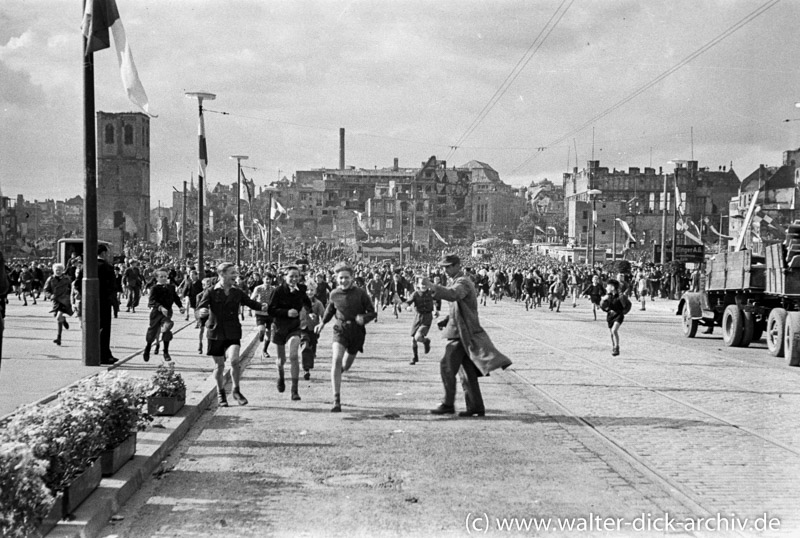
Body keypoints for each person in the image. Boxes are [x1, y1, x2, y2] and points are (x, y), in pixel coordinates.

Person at [423, 254, 512, 417]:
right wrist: (447, 319)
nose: (446, 270)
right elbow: (459, 306)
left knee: (447, 366)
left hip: (462, 333)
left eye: (448, 266)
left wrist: (431, 285)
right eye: (444, 267)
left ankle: (448, 404)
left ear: (457, 266)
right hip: (460, 330)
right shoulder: (458, 281)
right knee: (467, 372)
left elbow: (453, 295)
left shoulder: (462, 282)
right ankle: (475, 406)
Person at [196, 262, 267, 407]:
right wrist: (201, 313)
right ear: (222, 274)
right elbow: (200, 308)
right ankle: (221, 393)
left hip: (232, 331)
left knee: (234, 360)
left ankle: (236, 390)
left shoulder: (237, 292)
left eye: (236, 273)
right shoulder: (210, 291)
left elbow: (251, 303)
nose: (236, 275)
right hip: (215, 332)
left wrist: (264, 306)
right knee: (219, 366)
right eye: (232, 273)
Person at [315, 262, 377, 413]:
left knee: (346, 365)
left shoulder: (361, 293)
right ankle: (336, 400)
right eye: (340, 278)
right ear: (336, 278)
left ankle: (337, 374)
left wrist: (364, 318)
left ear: (352, 278)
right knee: (336, 359)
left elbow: (372, 312)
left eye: (346, 278)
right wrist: (322, 323)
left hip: (356, 332)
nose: (343, 281)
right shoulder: (334, 294)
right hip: (340, 329)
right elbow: (330, 310)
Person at [268, 265, 312, 401]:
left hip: (294, 327)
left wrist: (310, 312)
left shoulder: (301, 290)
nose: (294, 279)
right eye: (291, 276)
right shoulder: (278, 291)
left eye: (296, 276)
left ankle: (294, 390)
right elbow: (270, 310)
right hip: (280, 327)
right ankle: (281, 375)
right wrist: (286, 312)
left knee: (294, 356)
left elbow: (307, 303)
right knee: (281, 361)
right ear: (284, 277)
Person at [143, 267, 185, 362]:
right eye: (161, 276)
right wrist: (160, 307)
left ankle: (165, 351)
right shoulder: (154, 288)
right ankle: (148, 347)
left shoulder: (171, 287)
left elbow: (175, 298)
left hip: (167, 313)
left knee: (167, 329)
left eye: (165, 276)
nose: (164, 278)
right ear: (157, 278)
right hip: (156, 313)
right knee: (152, 332)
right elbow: (151, 301)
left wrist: (180, 306)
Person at [404, 276, 434, 365]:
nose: (423, 286)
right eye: (422, 284)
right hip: (417, 317)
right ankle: (415, 357)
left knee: (418, 337)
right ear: (418, 285)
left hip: (427, 317)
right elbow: (406, 303)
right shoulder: (415, 294)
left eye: (425, 284)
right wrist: (407, 307)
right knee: (413, 339)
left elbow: (437, 301)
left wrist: (437, 310)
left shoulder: (431, 293)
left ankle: (426, 341)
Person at [43, 263, 74, 346]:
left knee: (58, 317)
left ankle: (58, 338)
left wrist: (71, 298)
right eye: (56, 270)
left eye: (60, 270)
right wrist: (50, 295)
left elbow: (72, 289)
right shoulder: (50, 279)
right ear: (54, 271)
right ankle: (63, 320)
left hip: (64, 300)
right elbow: (46, 290)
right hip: (55, 300)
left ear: (62, 270)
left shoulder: (67, 279)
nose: (58, 271)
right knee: (58, 318)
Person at [600, 278, 631, 357]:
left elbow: (628, 305)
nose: (606, 288)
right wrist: (603, 301)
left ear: (613, 287)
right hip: (610, 316)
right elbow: (603, 307)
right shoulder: (607, 296)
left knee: (614, 330)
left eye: (608, 286)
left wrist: (623, 312)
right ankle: (614, 347)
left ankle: (616, 347)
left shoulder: (621, 296)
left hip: (618, 315)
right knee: (612, 333)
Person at [250, 276, 275, 359]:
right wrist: (250, 309)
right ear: (263, 279)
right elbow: (252, 299)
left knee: (269, 333)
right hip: (260, 313)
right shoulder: (258, 288)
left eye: (269, 279)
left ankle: (264, 350)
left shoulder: (273, 289)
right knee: (261, 330)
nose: (268, 281)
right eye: (266, 279)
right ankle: (261, 334)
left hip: (270, 314)